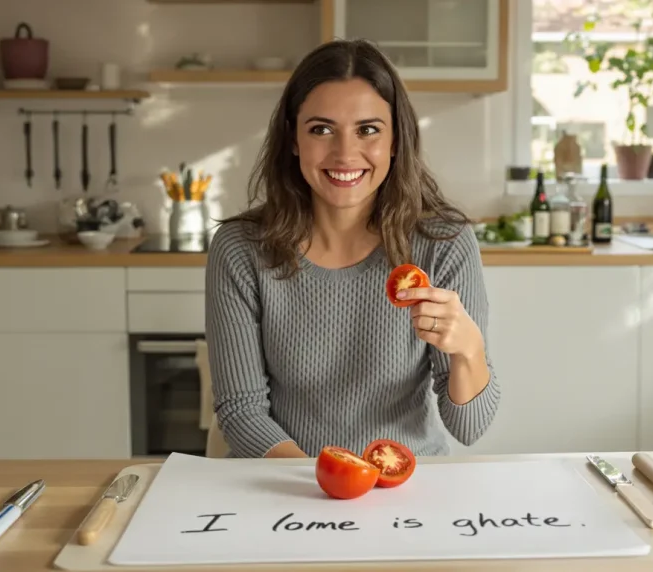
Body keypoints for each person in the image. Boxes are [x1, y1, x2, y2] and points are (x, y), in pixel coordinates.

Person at [205, 38, 500, 459]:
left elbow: (470, 428)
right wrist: (328, 484)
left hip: (405, 488)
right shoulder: (240, 249)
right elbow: (241, 411)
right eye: (321, 130)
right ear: (293, 140)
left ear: (396, 139)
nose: (345, 154)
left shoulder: (444, 243)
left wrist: (469, 349)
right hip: (286, 489)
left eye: (368, 130)